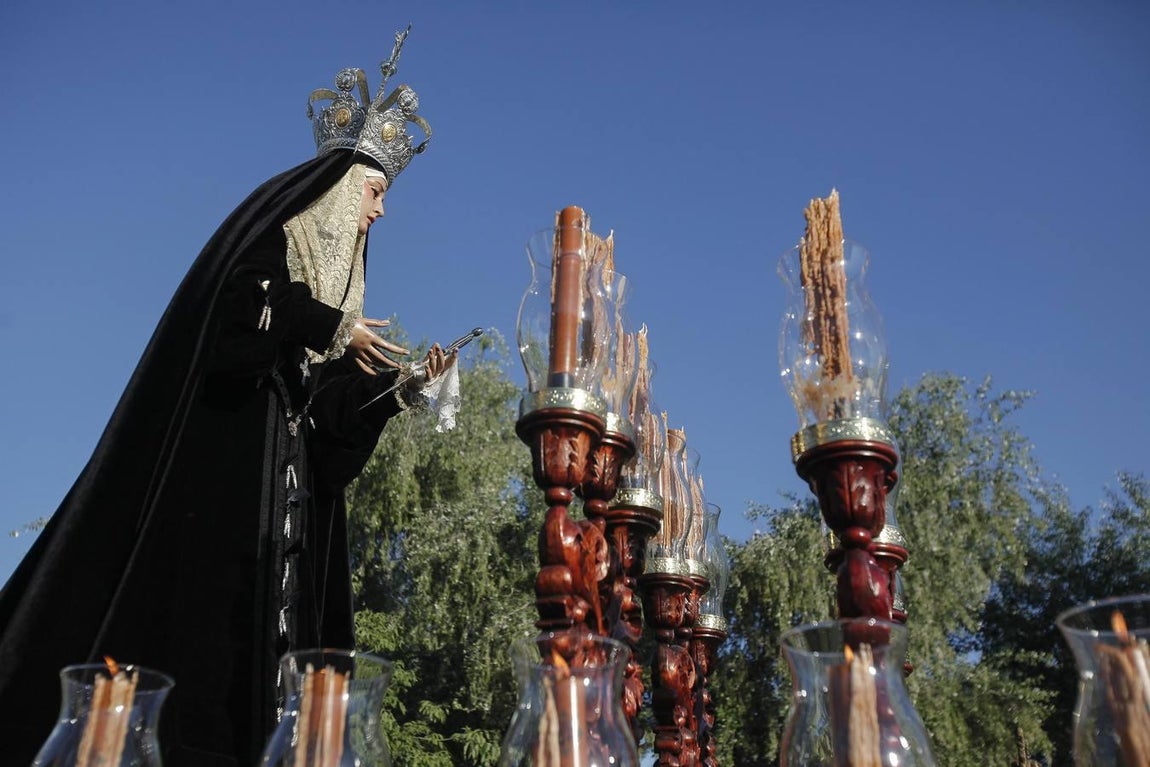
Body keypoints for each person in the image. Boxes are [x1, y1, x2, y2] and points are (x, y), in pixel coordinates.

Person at [0, 29, 448, 766]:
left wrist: (398, 392)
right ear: (341, 191)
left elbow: (327, 445)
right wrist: (328, 325)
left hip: (283, 557)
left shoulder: (312, 339)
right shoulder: (262, 252)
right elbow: (238, 319)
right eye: (374, 193)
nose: (380, 213)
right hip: (216, 521)